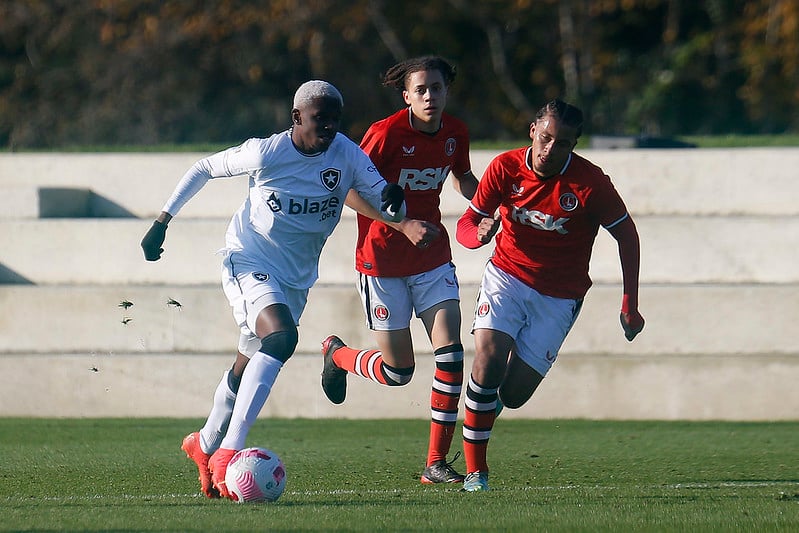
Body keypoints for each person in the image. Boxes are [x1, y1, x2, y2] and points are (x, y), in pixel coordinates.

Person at [139, 80, 406, 499]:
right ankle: (229, 451)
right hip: (249, 259)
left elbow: (386, 200)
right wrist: (162, 222)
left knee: (248, 361)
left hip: (296, 278)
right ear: (297, 118)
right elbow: (203, 168)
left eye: (336, 118)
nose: (330, 126)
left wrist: (395, 201)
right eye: (321, 118)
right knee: (281, 337)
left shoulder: (348, 155)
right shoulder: (267, 151)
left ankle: (204, 443)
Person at [455, 99, 645, 492]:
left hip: (559, 296)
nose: (550, 149)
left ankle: (479, 420)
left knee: (514, 394)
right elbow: (468, 222)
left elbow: (627, 235)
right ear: (532, 131)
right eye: (545, 138)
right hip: (506, 275)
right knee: (487, 359)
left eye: (562, 143)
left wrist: (630, 303)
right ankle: (476, 472)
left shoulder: (591, 184)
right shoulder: (505, 168)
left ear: (574, 145)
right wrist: (479, 236)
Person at [319, 56, 478, 484]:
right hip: (382, 261)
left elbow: (462, 176)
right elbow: (346, 189)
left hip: (432, 259)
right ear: (406, 96)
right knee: (398, 373)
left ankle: (435, 464)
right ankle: (338, 355)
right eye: (421, 90)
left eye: (437, 88)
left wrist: (483, 203)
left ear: (447, 91)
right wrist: (401, 224)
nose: (430, 96)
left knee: (451, 353)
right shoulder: (385, 134)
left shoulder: (455, 132)